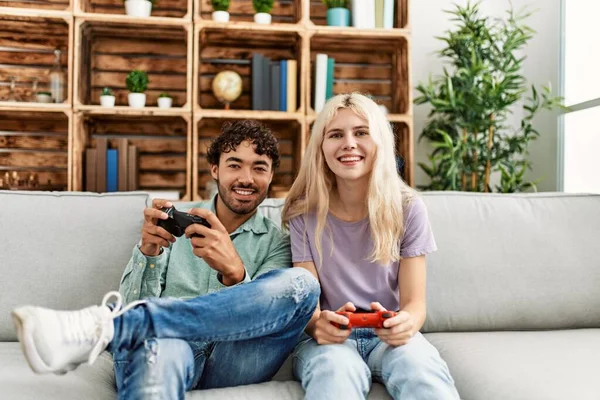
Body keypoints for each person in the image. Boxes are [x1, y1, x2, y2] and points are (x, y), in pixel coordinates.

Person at [12, 120, 320, 399]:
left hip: (234, 359)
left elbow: (271, 321)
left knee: (303, 284)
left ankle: (110, 326)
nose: (246, 178)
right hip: (168, 345)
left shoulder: (279, 240)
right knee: (162, 348)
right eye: (235, 165)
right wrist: (149, 251)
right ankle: (125, 326)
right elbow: (134, 298)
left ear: (271, 175)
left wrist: (235, 273)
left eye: (259, 168)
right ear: (214, 169)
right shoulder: (174, 220)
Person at [282, 93, 460, 399]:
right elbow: (309, 305)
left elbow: (415, 304)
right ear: (320, 148)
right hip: (332, 342)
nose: (349, 143)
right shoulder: (303, 215)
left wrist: (406, 324)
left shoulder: (408, 208)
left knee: (423, 375)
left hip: (389, 337)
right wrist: (316, 326)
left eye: (361, 132)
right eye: (336, 134)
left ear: (380, 141)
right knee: (334, 376)